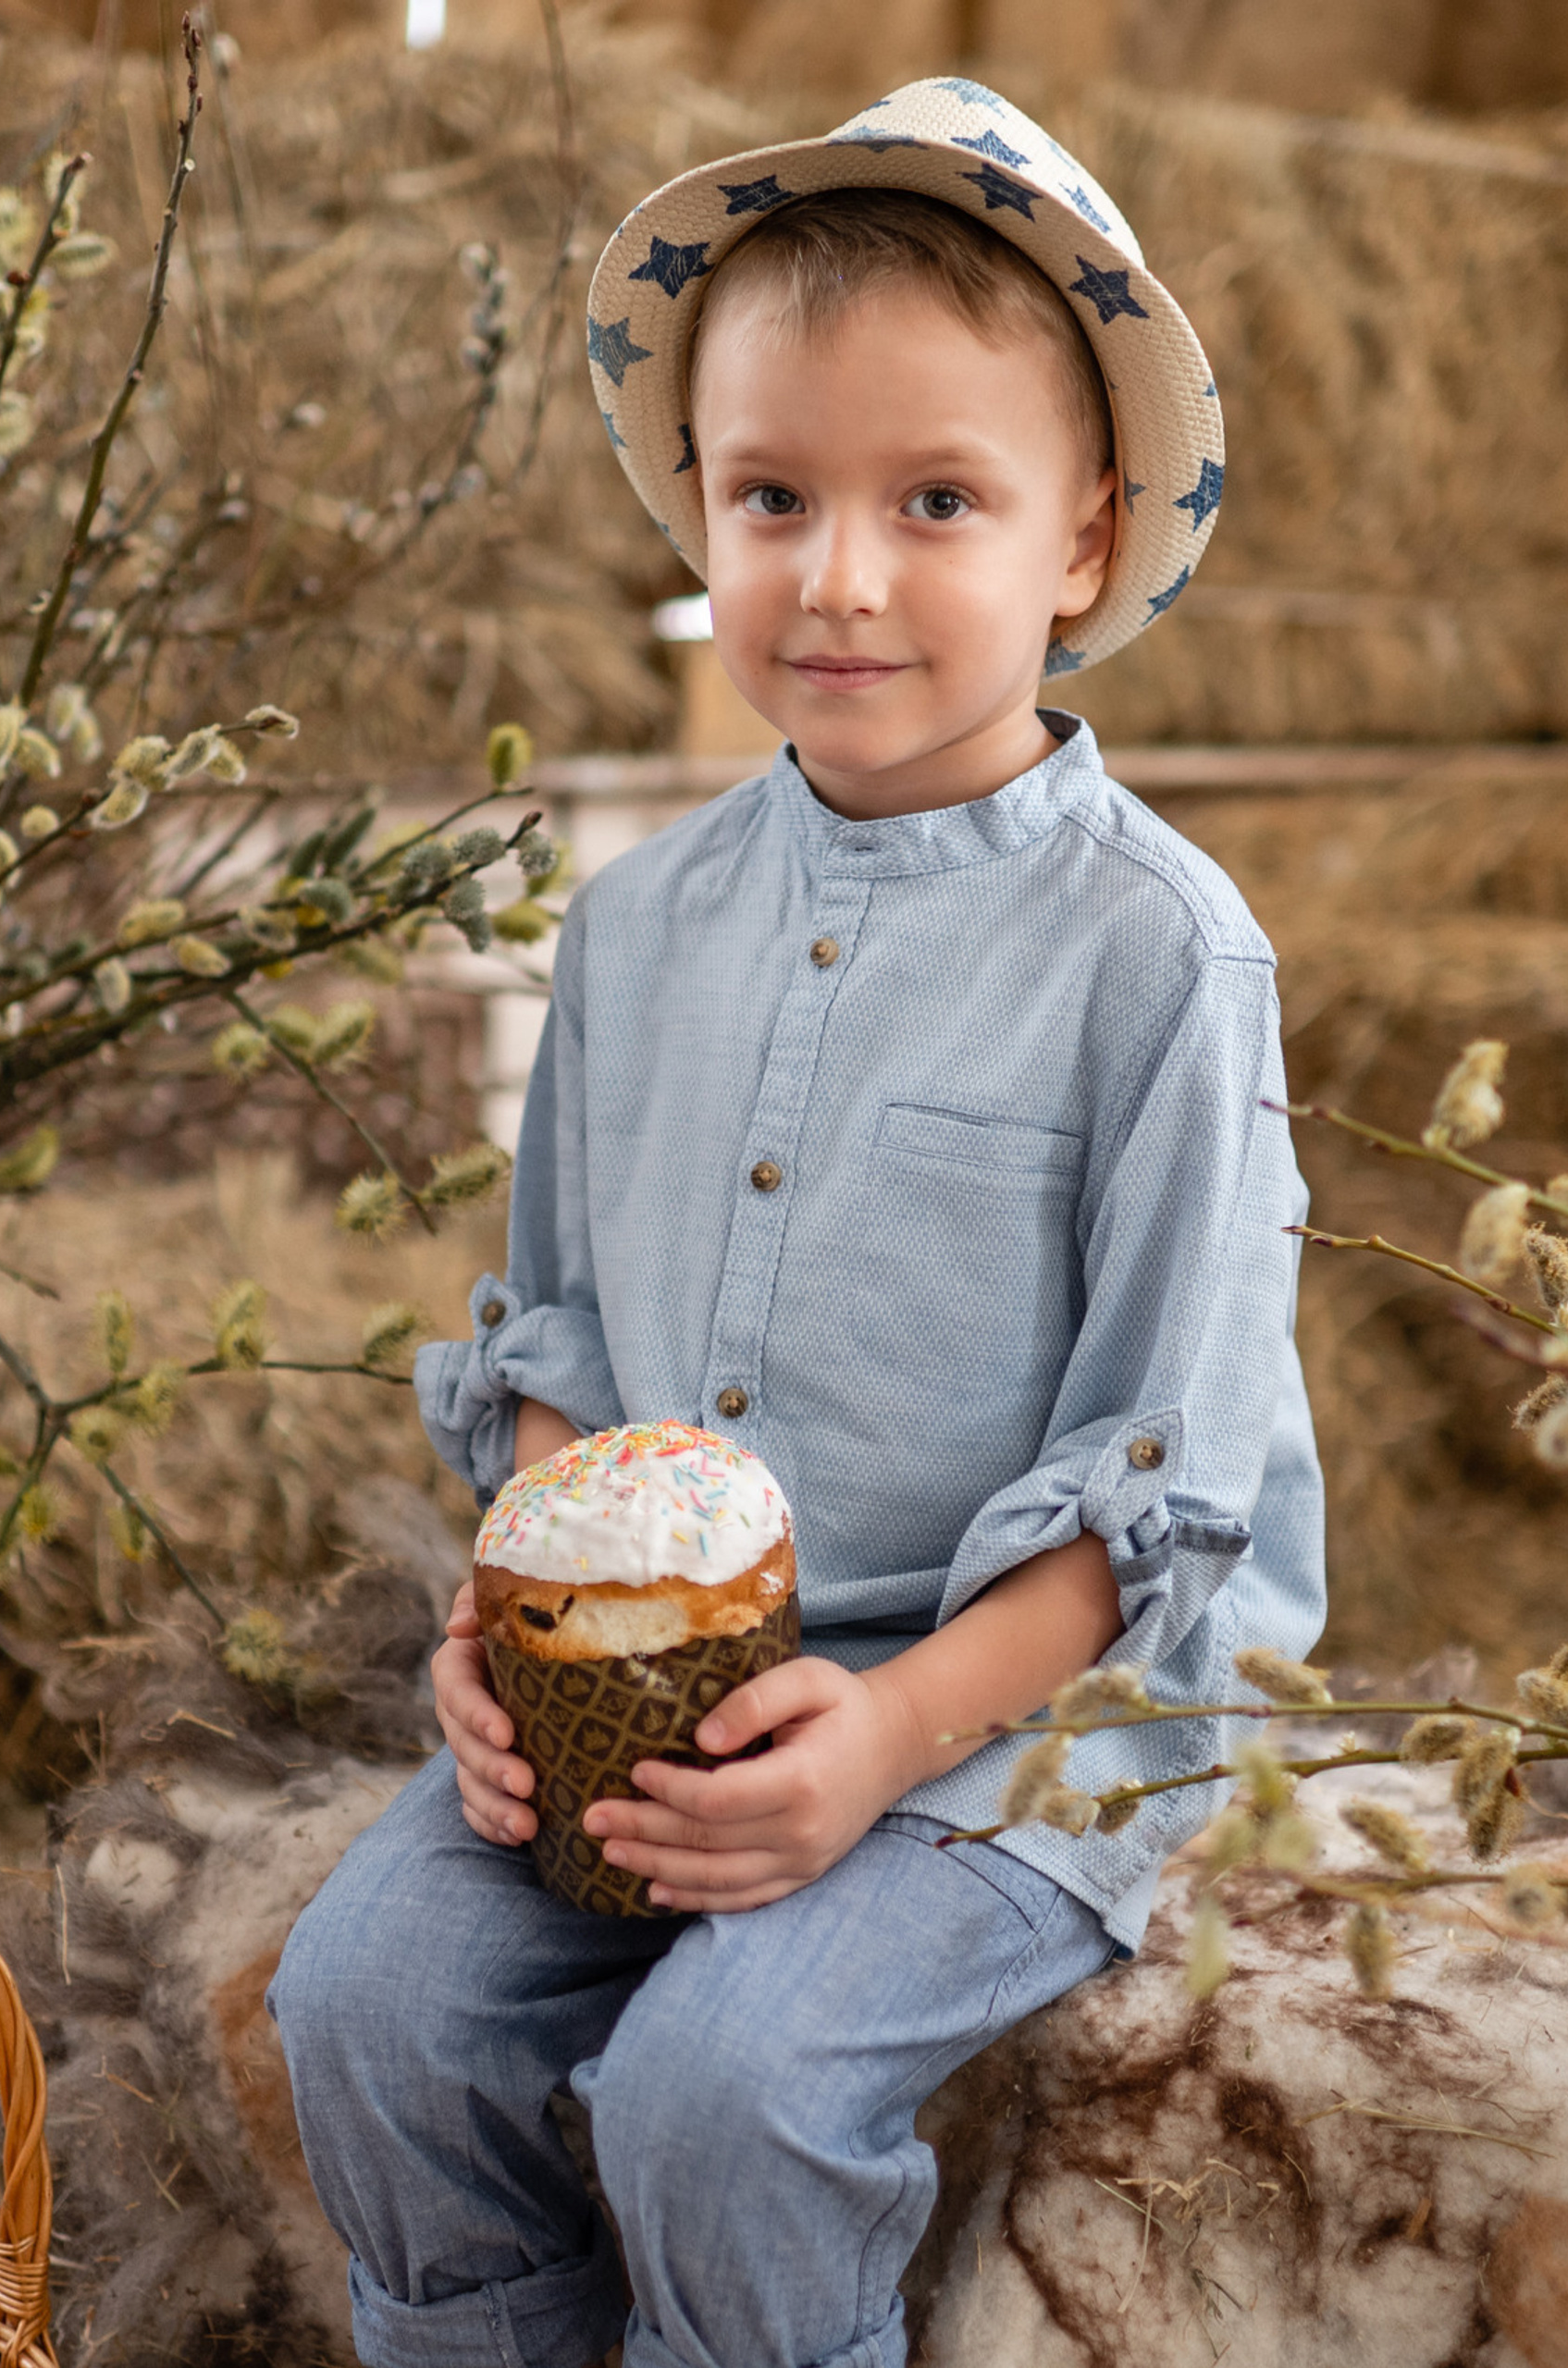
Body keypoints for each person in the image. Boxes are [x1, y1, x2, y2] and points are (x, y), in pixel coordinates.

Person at [268, 75, 1324, 2368]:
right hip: (668, 1686)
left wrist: (882, 1733)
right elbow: (566, 1347)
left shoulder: (1156, 957)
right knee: (359, 1993)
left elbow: (1164, 1482)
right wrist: (513, 1638)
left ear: (1078, 540)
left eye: (933, 499)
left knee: (719, 2091)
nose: (837, 573)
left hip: (1015, 1699)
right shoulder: (635, 929)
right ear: (699, 517)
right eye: (772, 496)